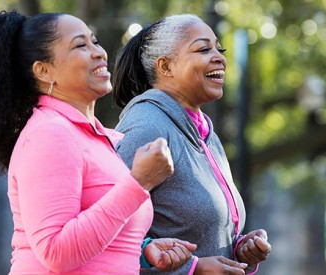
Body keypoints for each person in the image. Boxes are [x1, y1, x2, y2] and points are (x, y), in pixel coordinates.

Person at [0, 10, 197, 274]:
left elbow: (93, 235)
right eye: (81, 45)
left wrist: (141, 249)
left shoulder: (90, 136)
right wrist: (139, 182)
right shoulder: (49, 134)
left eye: (95, 41)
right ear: (44, 71)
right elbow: (56, 252)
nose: (99, 52)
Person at [112, 14, 271, 275]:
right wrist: (192, 268)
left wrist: (240, 247)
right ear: (165, 67)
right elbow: (106, 234)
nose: (219, 57)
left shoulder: (204, 132)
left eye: (220, 49)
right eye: (203, 49)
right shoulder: (147, 128)